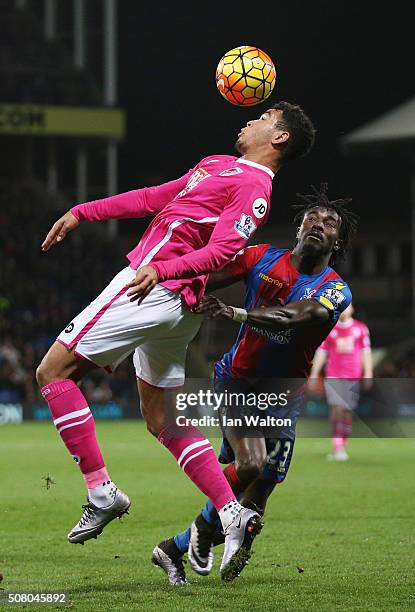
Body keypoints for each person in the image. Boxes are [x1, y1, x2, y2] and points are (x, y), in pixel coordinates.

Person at [36, 102, 315, 579]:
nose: (250, 120)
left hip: (153, 287)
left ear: (280, 138)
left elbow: (225, 248)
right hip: (174, 305)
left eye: (264, 118)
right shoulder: (218, 165)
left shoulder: (255, 187)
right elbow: (152, 198)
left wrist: (160, 269)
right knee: (162, 419)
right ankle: (229, 513)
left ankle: (101, 490)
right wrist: (83, 212)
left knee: (52, 372)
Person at [152, 183, 357, 585]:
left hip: (284, 397)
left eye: (330, 223)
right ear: (298, 227)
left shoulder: (335, 289)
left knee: (259, 493)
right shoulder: (261, 257)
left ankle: (174, 547)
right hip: (238, 382)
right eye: (311, 218)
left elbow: (298, 315)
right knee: (249, 464)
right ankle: (198, 534)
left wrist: (235, 313)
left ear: (339, 241)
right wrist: (162, 288)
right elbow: (202, 278)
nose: (319, 223)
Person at [309, 303, 372, 461]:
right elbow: (322, 352)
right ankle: (337, 446)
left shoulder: (361, 329)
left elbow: (366, 353)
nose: (345, 310)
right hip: (334, 375)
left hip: (353, 376)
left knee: (347, 411)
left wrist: (368, 373)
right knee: (337, 408)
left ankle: (343, 443)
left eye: (348, 307)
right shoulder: (330, 329)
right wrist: (314, 373)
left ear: (352, 309)